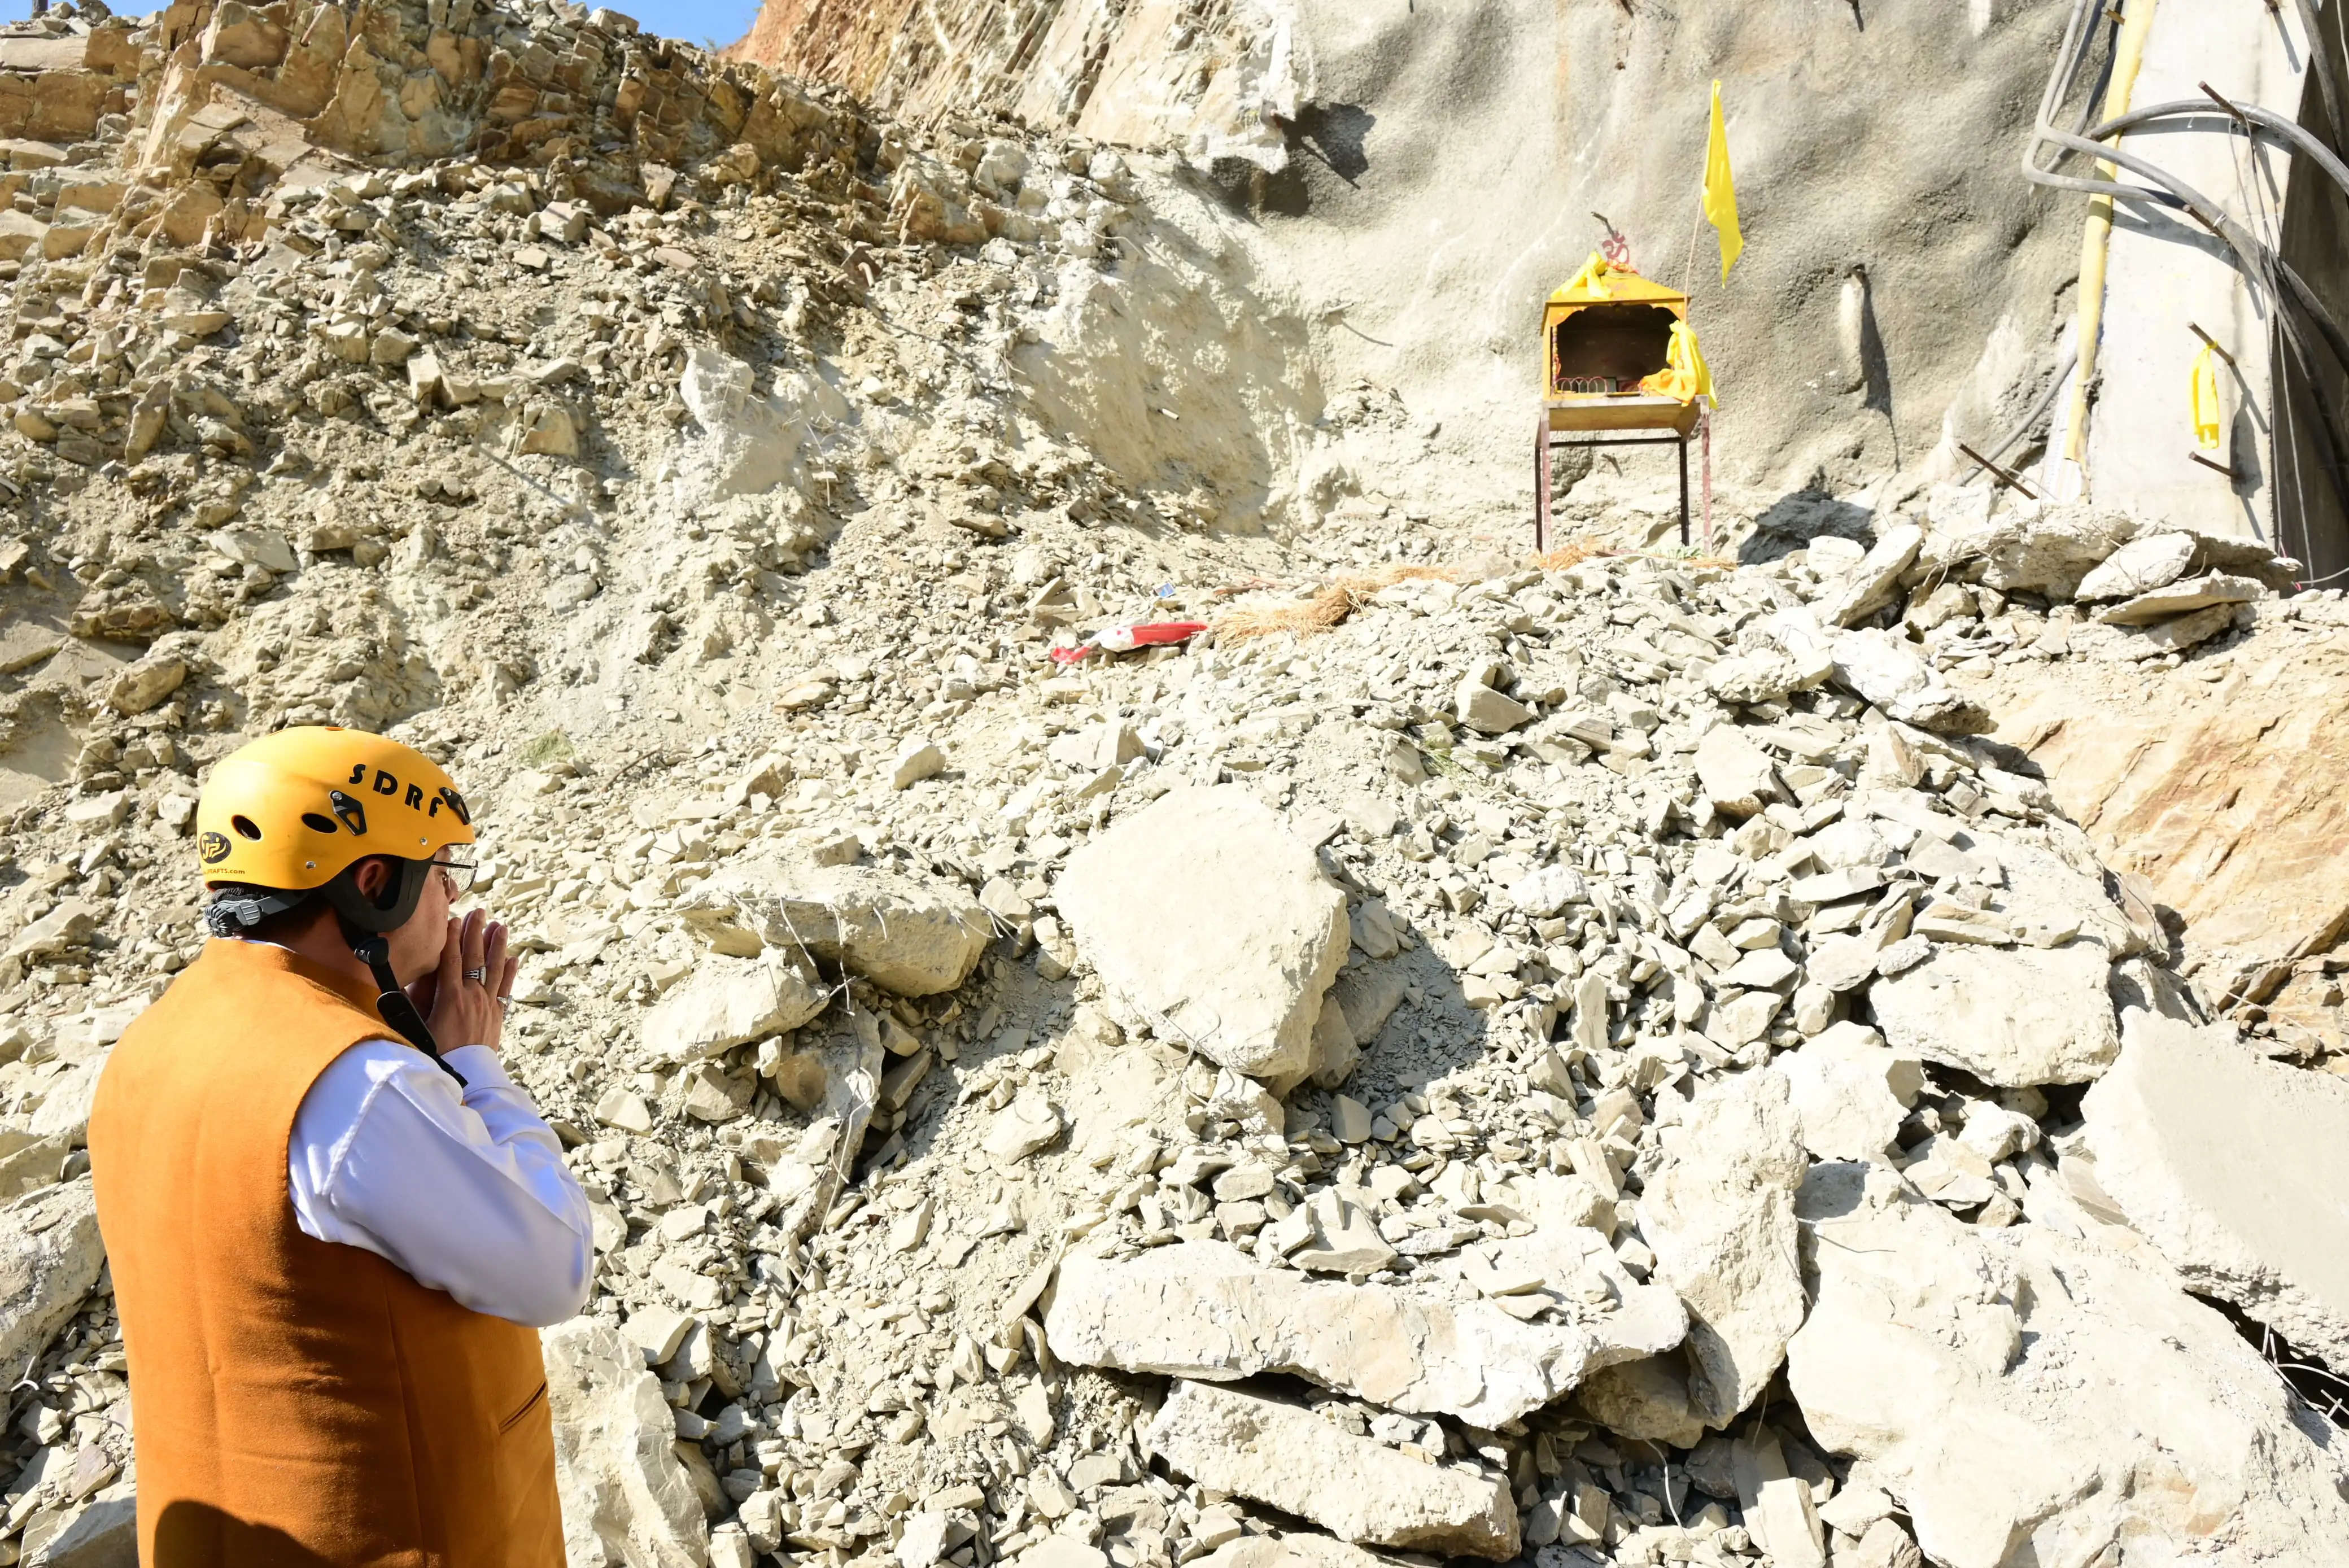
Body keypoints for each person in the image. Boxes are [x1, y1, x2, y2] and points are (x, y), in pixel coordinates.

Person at [88, 726, 593, 1567]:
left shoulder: (151, 1041)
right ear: (373, 884)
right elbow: (555, 1267)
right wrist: (474, 1064)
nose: (450, 901)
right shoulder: (360, 1087)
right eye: (438, 873)